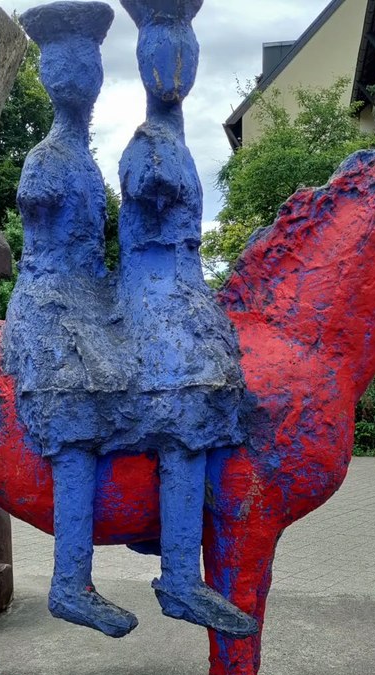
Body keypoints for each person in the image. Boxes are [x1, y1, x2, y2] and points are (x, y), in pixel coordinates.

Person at [110, 0, 256, 638]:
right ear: (142, 62)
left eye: (183, 55)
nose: (173, 69)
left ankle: (175, 527)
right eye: (160, 54)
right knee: (189, 395)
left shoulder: (177, 141)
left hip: (181, 286)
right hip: (151, 287)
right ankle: (177, 574)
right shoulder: (150, 143)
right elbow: (145, 191)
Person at [0, 1, 137, 638]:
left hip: (90, 299)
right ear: (50, 77)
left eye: (87, 65)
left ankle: (146, 525)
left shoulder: (85, 158)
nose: (77, 77)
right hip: (52, 303)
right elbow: (39, 221)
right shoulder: (49, 157)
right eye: (64, 66)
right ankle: (70, 581)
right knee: (77, 416)